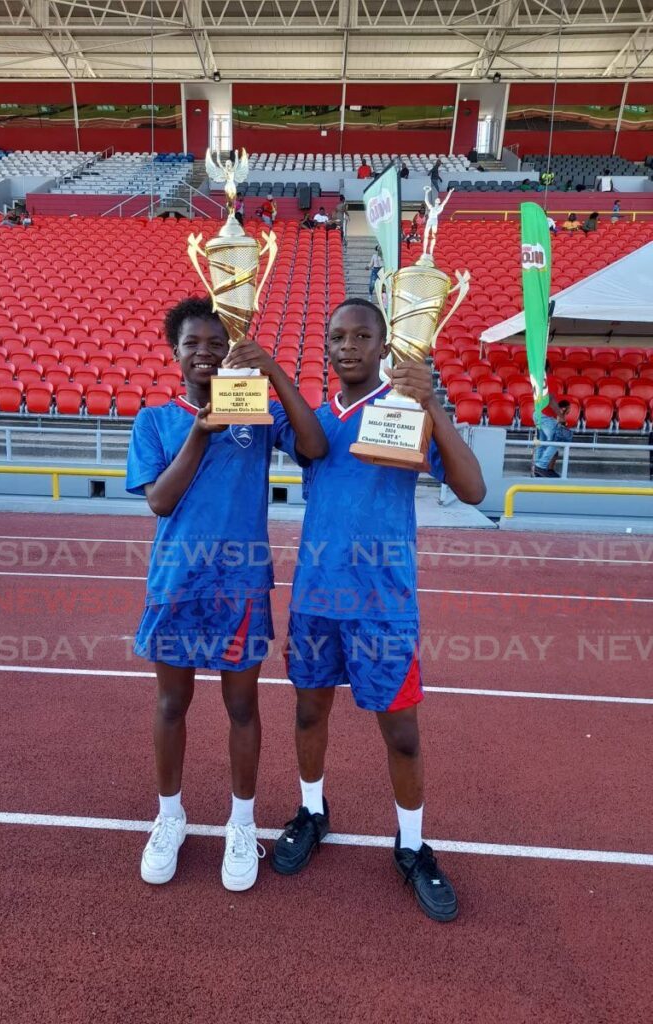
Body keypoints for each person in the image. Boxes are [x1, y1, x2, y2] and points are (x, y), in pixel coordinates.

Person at [270, 297, 486, 924]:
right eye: (336, 336)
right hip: (316, 600)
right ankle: (313, 810)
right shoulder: (313, 420)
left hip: (384, 606)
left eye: (362, 335)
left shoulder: (405, 410)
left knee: (402, 735)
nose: (347, 346)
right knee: (310, 712)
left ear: (385, 343)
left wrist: (434, 406)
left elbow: (474, 490)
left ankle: (413, 845)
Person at [126, 297, 327, 893]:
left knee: (242, 708)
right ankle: (170, 817)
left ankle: (242, 823)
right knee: (171, 705)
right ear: (176, 353)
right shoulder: (156, 419)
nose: (206, 353)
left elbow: (314, 448)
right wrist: (201, 426)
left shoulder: (257, 411)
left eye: (217, 344)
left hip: (240, 584)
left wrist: (272, 372)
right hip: (177, 583)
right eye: (194, 344)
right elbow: (160, 501)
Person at [533, 400, 572, 478]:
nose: (570, 410)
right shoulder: (558, 412)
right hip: (545, 417)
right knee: (555, 441)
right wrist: (562, 420)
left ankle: (537, 468)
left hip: (537, 414)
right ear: (564, 408)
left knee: (542, 442)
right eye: (569, 408)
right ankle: (541, 466)